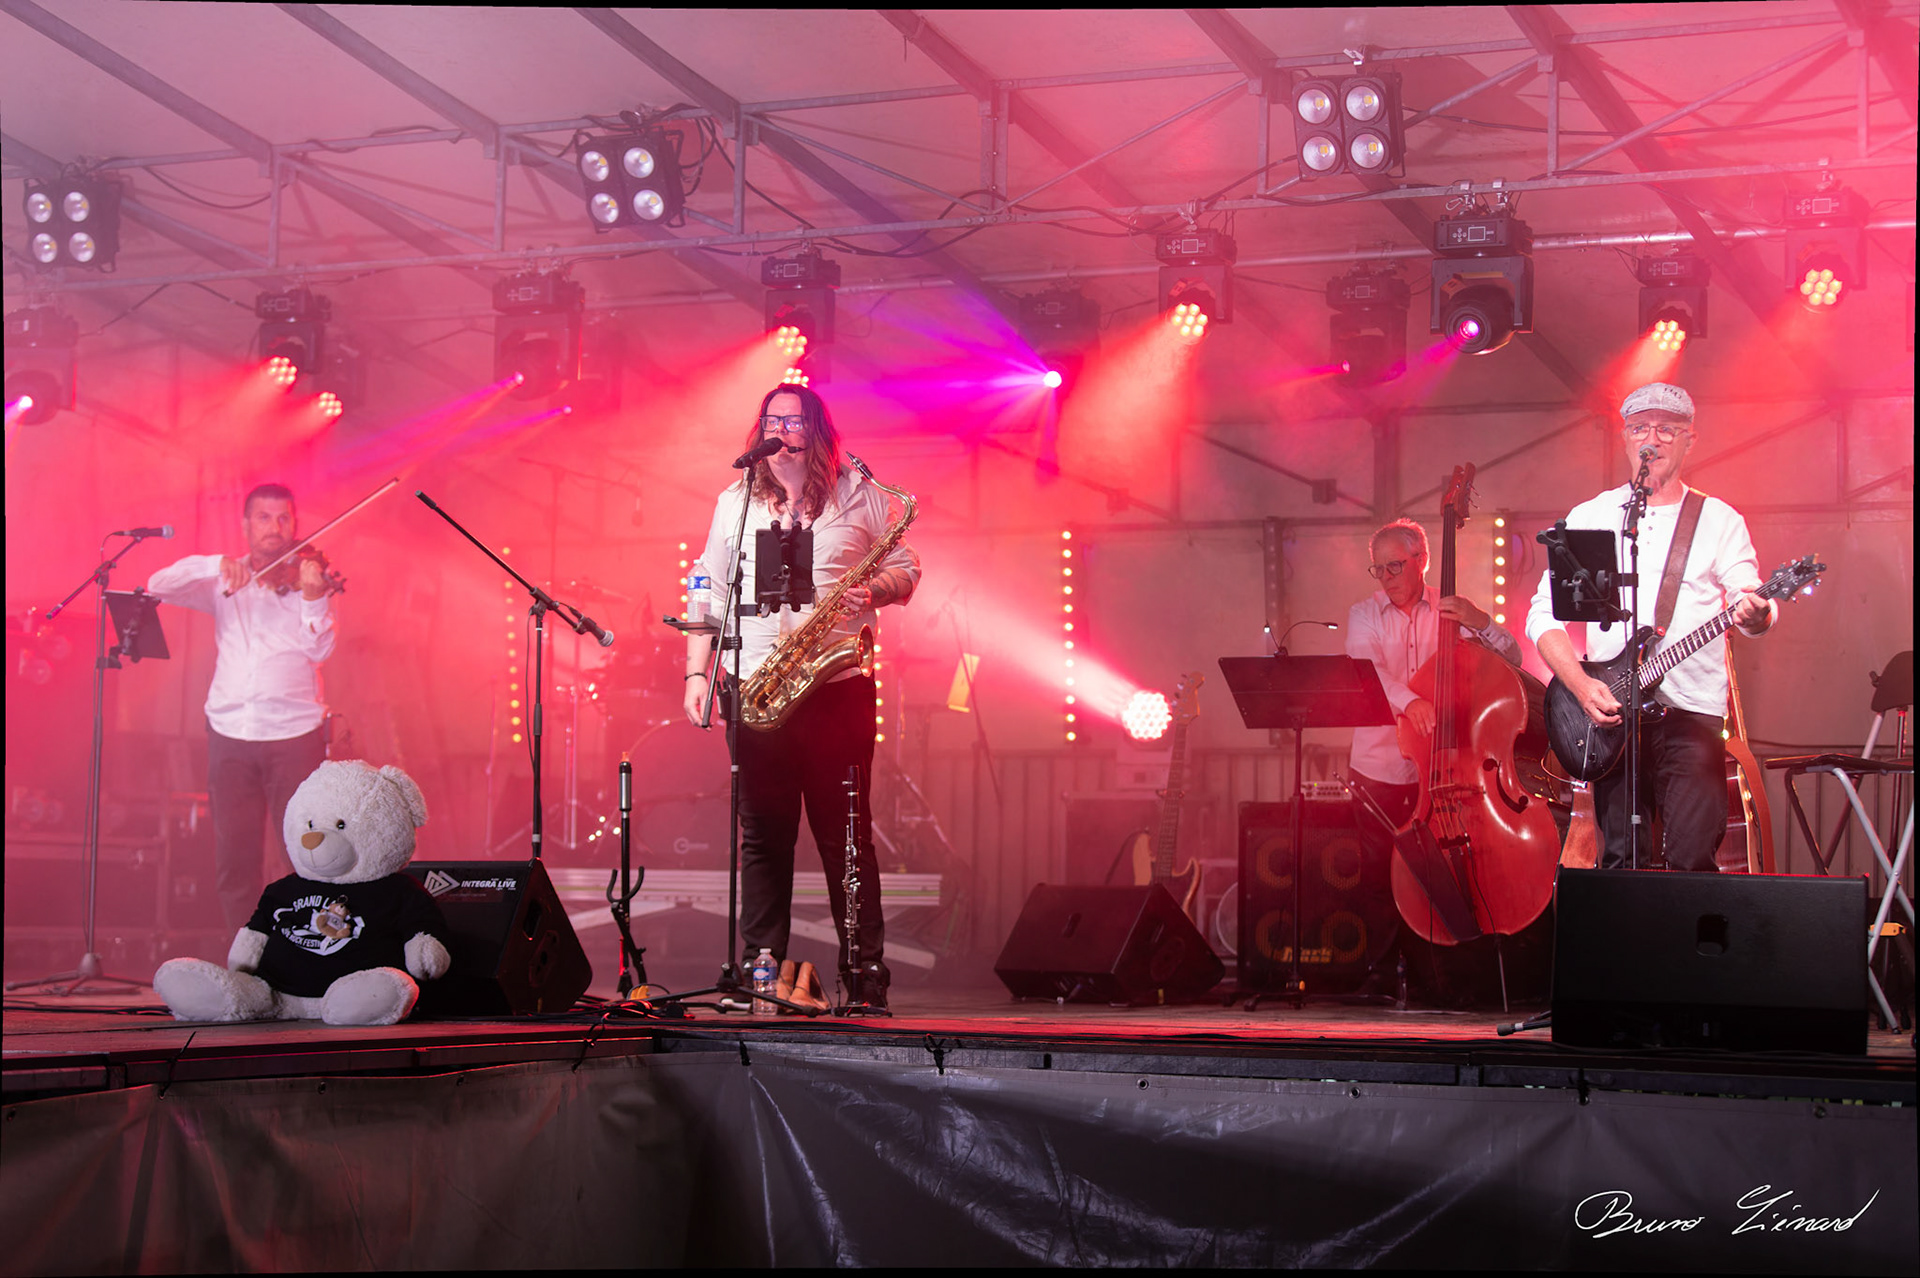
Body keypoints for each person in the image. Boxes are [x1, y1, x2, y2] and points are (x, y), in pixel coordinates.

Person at [683, 386, 920, 1009]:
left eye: (795, 419)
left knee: (846, 836)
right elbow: (704, 588)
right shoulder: (735, 503)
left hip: (835, 690)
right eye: (772, 419)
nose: (782, 430)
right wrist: (695, 674)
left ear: (817, 430)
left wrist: (874, 594)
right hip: (757, 687)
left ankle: (865, 978)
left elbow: (908, 568)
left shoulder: (859, 495)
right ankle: (761, 974)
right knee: (762, 838)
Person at [1526, 382, 1776, 872]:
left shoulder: (1718, 519)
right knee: (1620, 860)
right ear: (1624, 439)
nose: (1652, 440)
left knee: (1691, 859)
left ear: (1689, 440)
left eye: (1667, 429)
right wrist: (1579, 686)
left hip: (1690, 715)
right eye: (1640, 428)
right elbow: (1544, 613)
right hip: (1612, 716)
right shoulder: (1592, 515)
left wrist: (1759, 611)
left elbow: (1752, 600)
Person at [147, 483, 338, 928]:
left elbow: (321, 649)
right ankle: (245, 957)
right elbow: (158, 585)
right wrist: (217, 563)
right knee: (235, 854)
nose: (275, 527)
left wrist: (313, 597)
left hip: (295, 734)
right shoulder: (223, 580)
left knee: (303, 852)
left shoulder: (309, 577)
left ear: (294, 524)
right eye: (264, 517)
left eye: (283, 518)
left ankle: (304, 954)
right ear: (246, 525)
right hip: (230, 733)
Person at [1345, 517, 1520, 828]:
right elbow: (1369, 672)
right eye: (1379, 569)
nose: (1386, 577)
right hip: (1377, 768)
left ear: (1421, 560)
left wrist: (1481, 621)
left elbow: (1511, 660)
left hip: (1445, 766)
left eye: (1394, 566)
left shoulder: (1451, 609)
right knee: (1374, 868)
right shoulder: (1363, 614)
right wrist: (1411, 702)